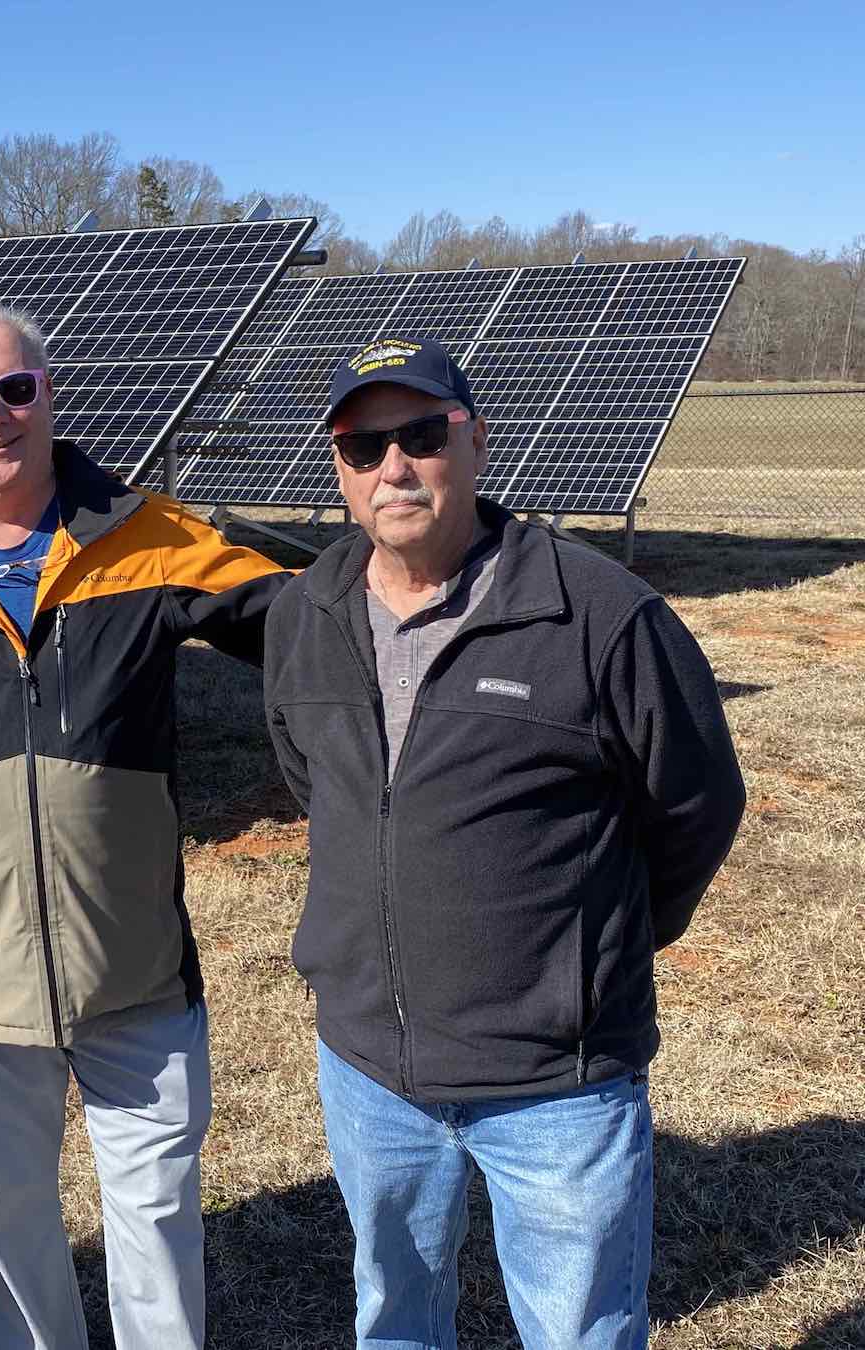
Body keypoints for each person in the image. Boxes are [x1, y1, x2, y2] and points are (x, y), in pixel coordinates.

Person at [261, 335, 746, 1349]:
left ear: (475, 440)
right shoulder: (304, 613)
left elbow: (696, 805)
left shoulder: (599, 613)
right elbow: (319, 785)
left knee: (581, 1330)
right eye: (362, 447)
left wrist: (592, 952)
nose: (393, 466)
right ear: (338, 469)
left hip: (556, 1081)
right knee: (394, 1317)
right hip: (369, 1068)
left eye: (421, 434)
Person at [0, 299, 293, 1349]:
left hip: (136, 972)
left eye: (15, 388)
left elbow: (305, 623)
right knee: (13, 1216)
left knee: (160, 1212)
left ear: (51, 394)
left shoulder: (150, 535)